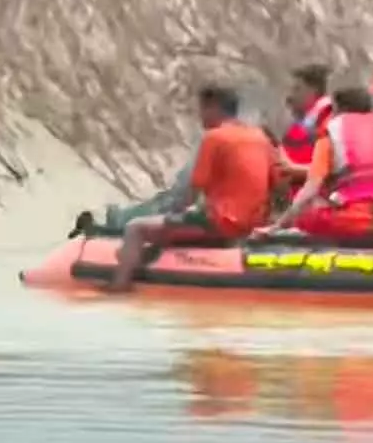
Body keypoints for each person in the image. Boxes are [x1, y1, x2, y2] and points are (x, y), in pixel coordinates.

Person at [107, 84, 278, 292]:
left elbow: (192, 192)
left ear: (213, 108)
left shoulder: (214, 137)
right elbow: (277, 183)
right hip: (252, 224)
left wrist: (173, 216)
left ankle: (119, 287)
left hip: (220, 223)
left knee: (135, 228)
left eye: (202, 109)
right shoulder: (260, 137)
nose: (200, 116)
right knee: (179, 224)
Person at [258, 86, 373, 243]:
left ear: (338, 110)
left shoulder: (331, 136)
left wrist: (279, 225)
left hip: (352, 222)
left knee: (307, 217)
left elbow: (311, 188)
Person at [279, 63, 335, 168]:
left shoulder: (329, 121)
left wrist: (293, 169)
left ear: (313, 91)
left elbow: (330, 168)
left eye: (297, 89)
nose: (290, 96)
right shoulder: (303, 122)